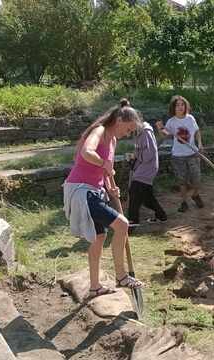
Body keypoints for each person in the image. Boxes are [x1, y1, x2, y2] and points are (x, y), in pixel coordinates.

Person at [63, 99, 143, 299]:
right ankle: (121, 276)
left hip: (96, 190)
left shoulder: (113, 140)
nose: (128, 133)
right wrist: (104, 165)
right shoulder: (98, 131)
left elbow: (106, 170)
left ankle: (95, 287)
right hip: (81, 191)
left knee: (99, 238)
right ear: (118, 120)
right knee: (122, 225)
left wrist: (110, 187)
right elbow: (87, 153)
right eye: (128, 128)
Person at [156, 95, 204, 213]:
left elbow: (197, 131)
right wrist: (159, 128)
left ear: (185, 106)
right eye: (178, 105)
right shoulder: (171, 122)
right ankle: (184, 203)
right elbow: (164, 135)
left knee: (197, 179)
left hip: (192, 153)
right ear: (174, 107)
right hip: (178, 156)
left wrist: (200, 143)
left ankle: (195, 194)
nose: (180, 107)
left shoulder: (190, 118)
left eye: (182, 105)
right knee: (182, 181)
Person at [127, 117, 167, 227]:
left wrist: (136, 156)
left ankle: (132, 221)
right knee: (146, 197)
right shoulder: (140, 132)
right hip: (143, 167)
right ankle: (161, 215)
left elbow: (149, 154)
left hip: (147, 168)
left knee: (134, 192)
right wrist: (135, 157)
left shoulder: (145, 132)